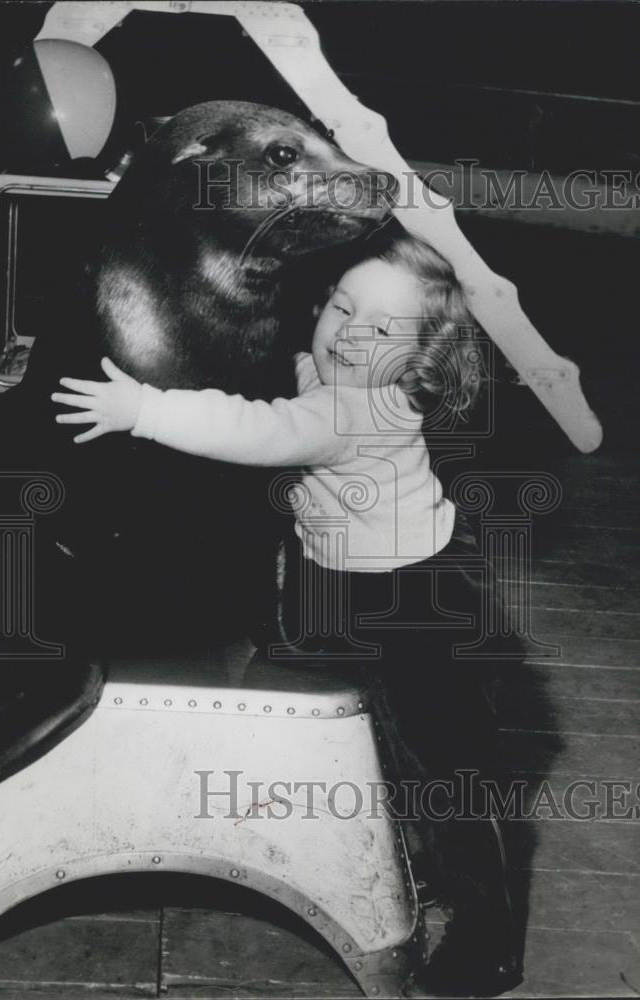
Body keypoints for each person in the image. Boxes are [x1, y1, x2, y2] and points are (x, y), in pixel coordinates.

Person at [53, 233, 523, 998]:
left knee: (442, 765)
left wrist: (143, 408)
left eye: (376, 329)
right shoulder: (332, 373)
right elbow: (295, 367)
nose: (345, 331)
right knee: (372, 708)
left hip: (423, 600)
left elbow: (259, 429)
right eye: (341, 306)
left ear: (415, 362)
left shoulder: (354, 410)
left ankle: (486, 938)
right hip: (361, 574)